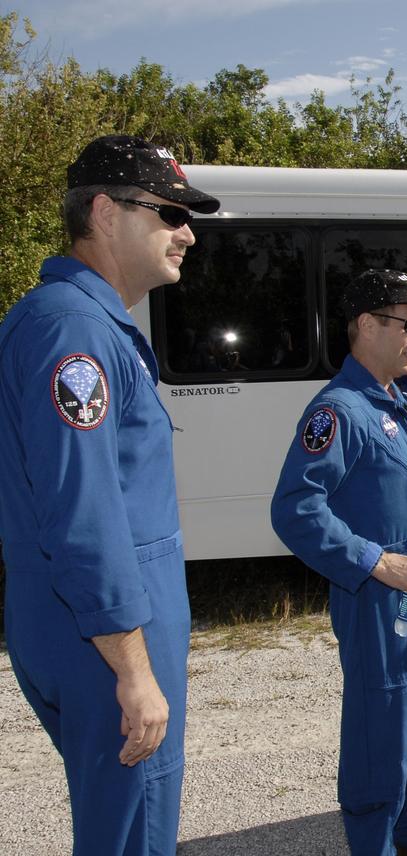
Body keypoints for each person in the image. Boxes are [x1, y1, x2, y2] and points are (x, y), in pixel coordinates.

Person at [0, 136, 217, 856]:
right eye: (168, 212)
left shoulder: (84, 322)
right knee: (135, 832)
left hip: (89, 625)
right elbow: (84, 516)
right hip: (102, 637)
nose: (186, 231)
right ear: (102, 211)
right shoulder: (74, 330)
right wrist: (131, 670)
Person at [270, 269, 407, 856]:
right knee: (381, 740)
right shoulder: (339, 411)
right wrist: (374, 561)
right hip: (378, 599)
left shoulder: (398, 402)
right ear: (367, 325)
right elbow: (295, 510)